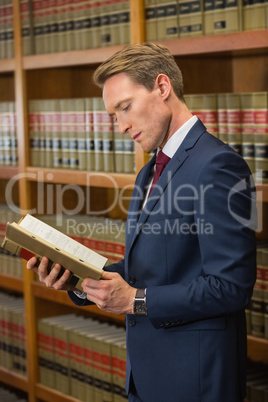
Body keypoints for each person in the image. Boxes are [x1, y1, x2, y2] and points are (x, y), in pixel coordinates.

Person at [27, 42, 257, 402]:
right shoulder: (149, 171)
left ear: (162, 88)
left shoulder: (219, 166)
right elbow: (146, 270)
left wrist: (136, 301)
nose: (120, 127)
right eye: (113, 116)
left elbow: (231, 287)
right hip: (146, 378)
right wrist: (78, 279)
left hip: (196, 381)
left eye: (125, 108)